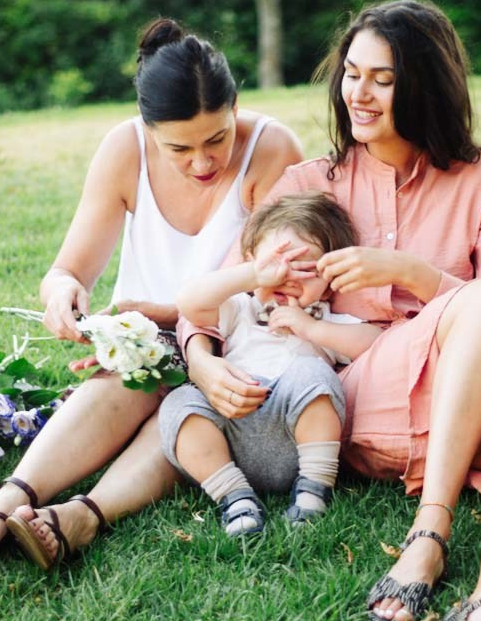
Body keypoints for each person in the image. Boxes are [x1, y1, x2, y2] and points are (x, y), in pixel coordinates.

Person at [182, 0, 481, 621]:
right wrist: (200, 359)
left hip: (454, 399)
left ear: (424, 85)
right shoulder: (310, 185)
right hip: (354, 401)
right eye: (350, 74)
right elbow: (219, 295)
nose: (356, 93)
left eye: (381, 79)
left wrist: (414, 276)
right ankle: (428, 534)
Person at [0, 18, 303, 568]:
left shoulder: (272, 149)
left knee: (180, 400)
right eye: (179, 148)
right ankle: (5, 504)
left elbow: (280, 291)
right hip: (145, 348)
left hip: (239, 346)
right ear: (147, 127)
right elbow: (69, 268)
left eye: (217, 139)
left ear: (235, 106)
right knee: (138, 379)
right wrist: (63, 294)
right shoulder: (123, 149)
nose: (202, 162)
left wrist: (170, 317)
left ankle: (81, 515)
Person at [159, 193, 381, 536]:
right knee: (178, 405)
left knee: (312, 374)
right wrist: (253, 275)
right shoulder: (238, 308)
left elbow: (375, 344)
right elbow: (189, 302)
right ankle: (234, 497)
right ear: (250, 262)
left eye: (306, 270)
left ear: (329, 280)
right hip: (230, 431)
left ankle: (314, 488)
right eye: (276, 265)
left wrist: (313, 329)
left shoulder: (323, 321)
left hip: (297, 442)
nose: (287, 277)